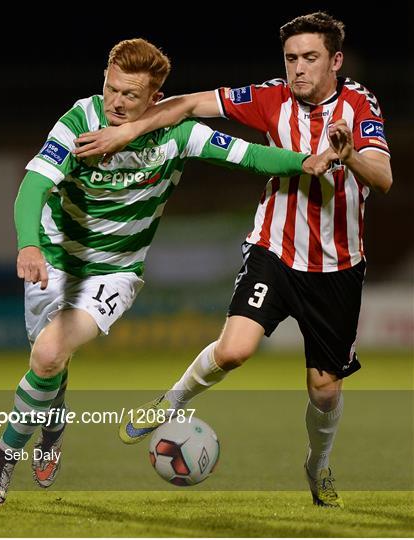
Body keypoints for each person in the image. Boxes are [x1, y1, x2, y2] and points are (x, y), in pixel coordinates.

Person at [0, 38, 332, 506]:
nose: (117, 102)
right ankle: (53, 420)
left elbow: (248, 155)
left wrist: (304, 162)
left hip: (114, 273)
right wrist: (27, 244)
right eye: (112, 89)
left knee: (48, 355)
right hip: (56, 262)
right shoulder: (80, 119)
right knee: (47, 365)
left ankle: (2, 459)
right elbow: (34, 186)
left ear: (155, 100)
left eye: (130, 95)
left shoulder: (176, 134)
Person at [73, 13, 393, 508]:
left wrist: (348, 155)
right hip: (273, 249)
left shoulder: (359, 104)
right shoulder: (270, 97)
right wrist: (125, 132)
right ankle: (170, 402)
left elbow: (384, 178)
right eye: (291, 59)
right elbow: (188, 104)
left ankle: (318, 464)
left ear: (335, 60)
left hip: (338, 266)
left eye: (310, 58)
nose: (299, 69)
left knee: (324, 389)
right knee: (235, 350)